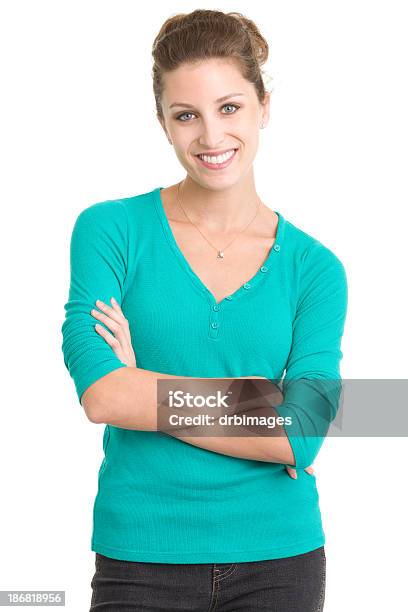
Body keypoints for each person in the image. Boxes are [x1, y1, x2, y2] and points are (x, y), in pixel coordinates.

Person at [61, 9, 348, 611]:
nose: (212, 138)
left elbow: (303, 432)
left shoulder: (316, 270)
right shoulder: (110, 231)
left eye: (230, 107)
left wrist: (144, 386)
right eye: (186, 115)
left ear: (264, 105)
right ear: (162, 122)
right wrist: (260, 404)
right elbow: (102, 397)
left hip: (281, 560)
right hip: (139, 555)